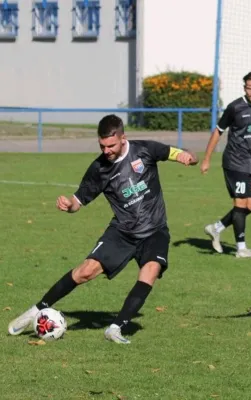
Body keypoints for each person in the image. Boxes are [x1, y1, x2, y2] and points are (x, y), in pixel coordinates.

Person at [8, 114, 198, 344]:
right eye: (102, 145)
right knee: (85, 272)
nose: (106, 150)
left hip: (154, 229)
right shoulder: (99, 169)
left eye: (111, 145)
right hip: (122, 232)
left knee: (151, 270)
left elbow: (174, 153)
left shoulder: (145, 150)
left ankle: (115, 328)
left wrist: (188, 157)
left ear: (123, 138)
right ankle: (36, 309)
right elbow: (79, 201)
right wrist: (69, 206)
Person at [200, 71, 251, 258]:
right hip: (234, 162)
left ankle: (216, 228)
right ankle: (241, 248)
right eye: (249, 88)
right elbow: (218, 131)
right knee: (241, 203)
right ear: (244, 88)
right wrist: (207, 158)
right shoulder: (234, 107)